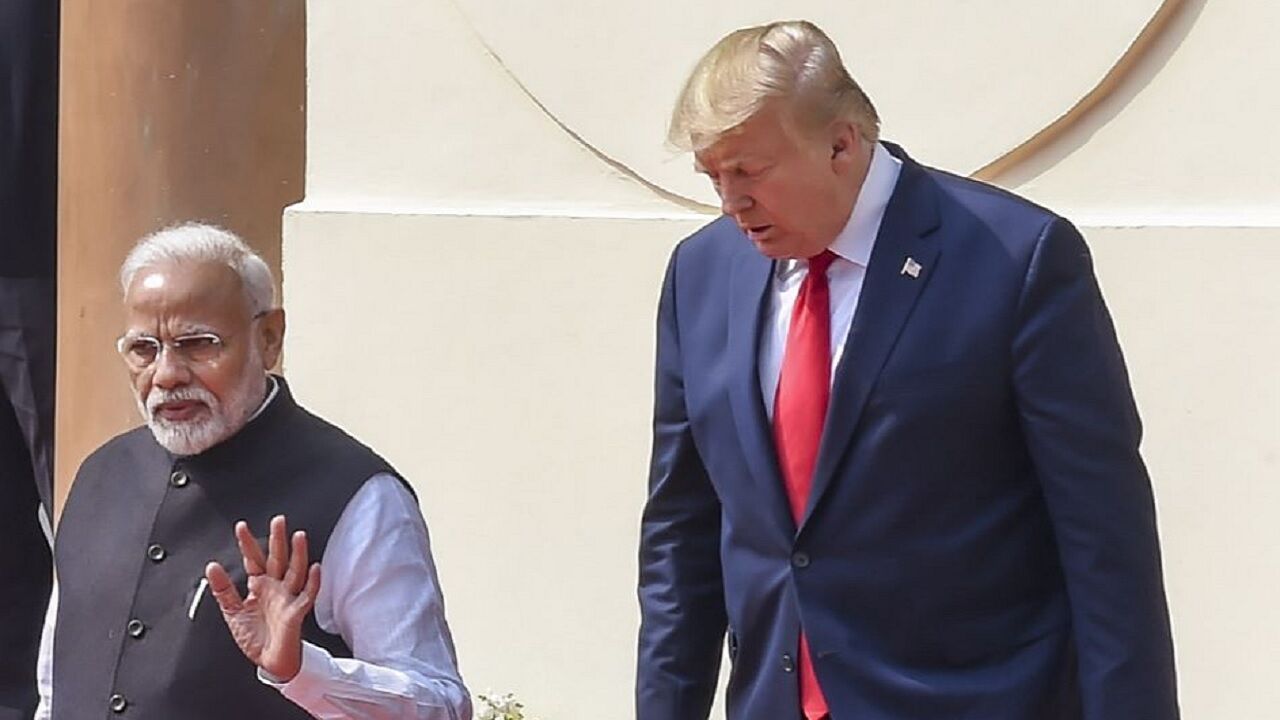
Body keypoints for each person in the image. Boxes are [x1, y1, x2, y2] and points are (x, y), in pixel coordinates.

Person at [636, 20, 1178, 720]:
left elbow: (1106, 544)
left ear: (841, 144)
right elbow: (681, 535)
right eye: (713, 176)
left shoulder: (1015, 260)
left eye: (749, 172)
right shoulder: (702, 274)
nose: (730, 202)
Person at [38, 223, 471, 720]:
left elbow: (440, 704)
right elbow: (55, 687)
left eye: (198, 344)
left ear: (269, 338)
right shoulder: (101, 475)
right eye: (144, 350)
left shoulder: (356, 494)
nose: (166, 374)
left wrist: (302, 670)